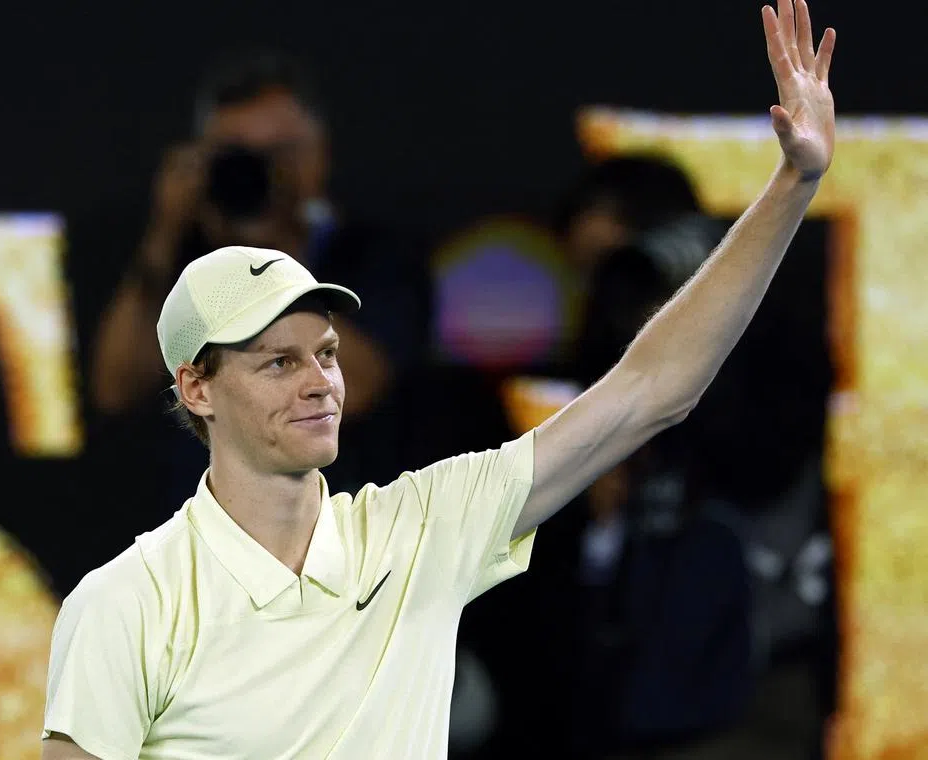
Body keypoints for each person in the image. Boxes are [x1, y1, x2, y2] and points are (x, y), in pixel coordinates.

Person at [41, 2, 836, 757]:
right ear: (198, 389)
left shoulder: (419, 532)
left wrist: (791, 187)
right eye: (279, 361)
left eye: (325, 353)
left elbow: (649, 389)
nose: (321, 381)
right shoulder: (124, 606)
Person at [84, 49, 431, 494]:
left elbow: (358, 386)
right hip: (203, 525)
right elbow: (116, 388)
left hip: (342, 522)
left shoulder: (377, 255)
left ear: (318, 155)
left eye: (278, 152)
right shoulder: (186, 263)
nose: (257, 171)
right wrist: (164, 232)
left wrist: (266, 250)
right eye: (236, 155)